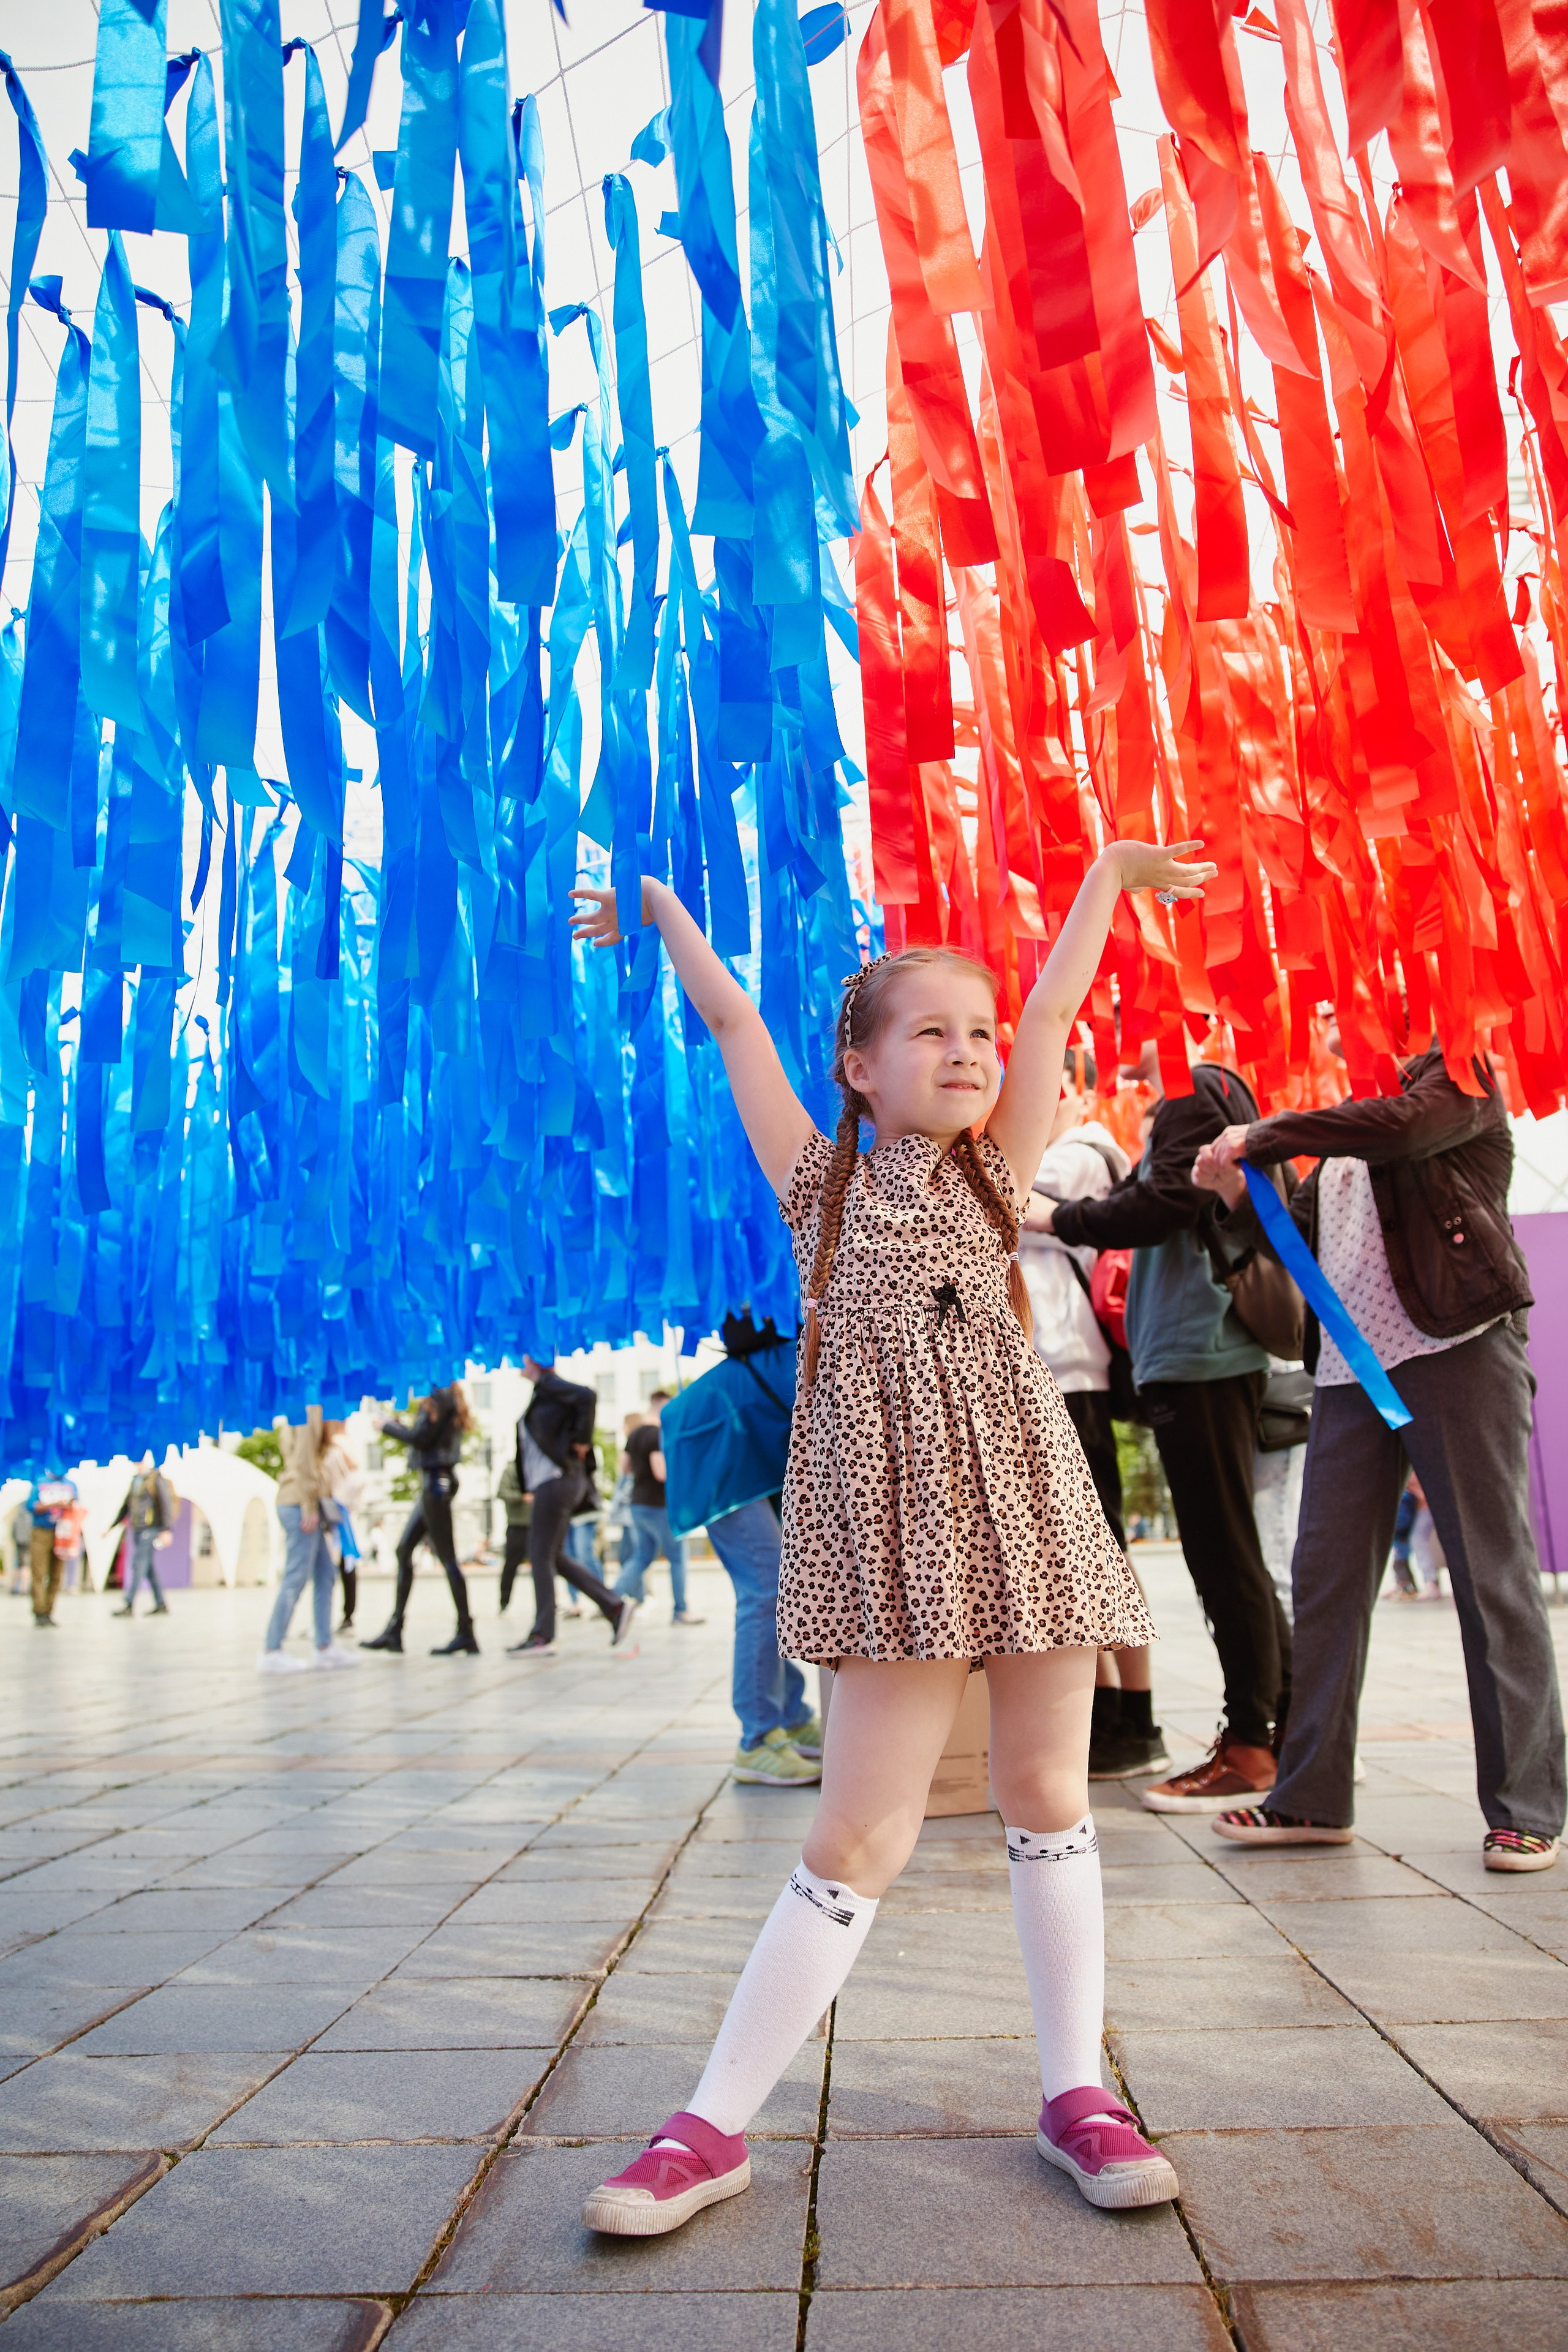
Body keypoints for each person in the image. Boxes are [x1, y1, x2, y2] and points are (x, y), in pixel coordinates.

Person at [568, 834, 1214, 2237]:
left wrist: (1101, 881)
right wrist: (662, 914)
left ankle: (1074, 2090)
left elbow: (1051, 1016)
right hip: (888, 1529)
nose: (969, 1048)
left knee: (1051, 1796)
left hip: (1027, 1502)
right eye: (929, 1030)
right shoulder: (823, 1184)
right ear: (858, 1064)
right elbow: (735, 1020)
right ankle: (709, 2122)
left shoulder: (1001, 1173)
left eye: (974, 1030)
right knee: (861, 1827)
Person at [1193, 1043, 1564, 1873]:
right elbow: (1309, 1241)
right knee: (1324, 1576)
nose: (1327, 1017)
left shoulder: (1458, 1072)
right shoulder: (1340, 1120)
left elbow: (1401, 1130)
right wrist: (1238, 1193)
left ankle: (1527, 1809)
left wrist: (1268, 1135)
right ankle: (1311, 1796)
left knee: (1490, 1577)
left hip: (1458, 1344)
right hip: (1349, 1367)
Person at [1039, 1044, 1289, 1815]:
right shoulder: (1202, 1092)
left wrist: (1054, 1217)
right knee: (1225, 1552)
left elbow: (1162, 1207)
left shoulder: (1194, 1089)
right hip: (1194, 1351)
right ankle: (1271, 1734)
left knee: (1224, 1554)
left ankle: (1254, 1744)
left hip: (1201, 1351)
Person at [1020, 1079, 1168, 1784]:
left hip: (1069, 1374)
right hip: (1047, 1373)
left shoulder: (1080, 1153)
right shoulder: (1054, 1152)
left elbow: (1000, 1202)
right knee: (1070, 1556)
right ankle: (1109, 1712)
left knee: (1100, 1549)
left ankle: (1137, 1718)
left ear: (1068, 1090)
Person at [660, 1312, 821, 1785]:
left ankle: (790, 1717)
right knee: (766, 1589)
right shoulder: (834, 1347)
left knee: (776, 1588)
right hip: (716, 1450)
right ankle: (757, 1739)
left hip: (737, 1446)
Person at [507, 1354, 638, 1658]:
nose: (516, 1361)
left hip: (556, 1480)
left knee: (539, 1555)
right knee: (554, 1556)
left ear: (534, 1361)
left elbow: (588, 1396)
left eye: (522, 1357)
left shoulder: (550, 1385)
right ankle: (614, 1606)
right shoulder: (545, 1392)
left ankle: (543, 1636)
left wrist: (582, 1439)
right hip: (555, 1481)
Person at [361, 1385, 480, 1655]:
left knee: (447, 1557)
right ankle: (396, 1628)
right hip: (435, 1481)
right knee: (404, 1549)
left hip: (436, 1482)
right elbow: (426, 1436)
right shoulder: (446, 1397)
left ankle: (466, 1631)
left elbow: (421, 1438)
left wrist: (387, 1427)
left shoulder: (440, 1396)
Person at [260, 1409, 358, 1673]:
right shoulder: (310, 1408)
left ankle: (324, 1647)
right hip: (299, 1505)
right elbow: (304, 1459)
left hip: (299, 1502)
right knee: (295, 1578)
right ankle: (272, 1648)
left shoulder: (304, 1407)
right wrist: (309, 1507)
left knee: (326, 1575)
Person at [614, 1395, 704, 1626]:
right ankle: (680, 1611)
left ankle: (610, 1599)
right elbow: (661, 1473)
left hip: (637, 1504)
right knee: (677, 1557)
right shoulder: (656, 1434)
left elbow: (625, 1467)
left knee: (642, 1557)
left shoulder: (634, 1434)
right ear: (663, 1405)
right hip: (658, 1505)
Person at [108, 1458, 174, 1620]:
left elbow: (165, 1504)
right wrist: (112, 1527)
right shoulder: (136, 1481)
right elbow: (126, 1506)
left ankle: (128, 1603)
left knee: (138, 1564)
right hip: (137, 1528)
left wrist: (166, 1529)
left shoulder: (154, 1479)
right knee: (149, 1569)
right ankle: (161, 1604)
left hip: (150, 1528)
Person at [318, 1423, 364, 1633]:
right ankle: (333, 1617)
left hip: (336, 1511)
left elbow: (355, 1474)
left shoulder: (337, 1448)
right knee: (337, 1564)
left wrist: (340, 1502)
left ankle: (347, 1615)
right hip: (329, 1511)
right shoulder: (330, 1447)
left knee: (345, 1563)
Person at [496, 1454, 533, 1615]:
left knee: (543, 1567)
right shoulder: (511, 1469)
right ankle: (504, 1603)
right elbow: (501, 1492)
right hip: (517, 1526)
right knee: (510, 1566)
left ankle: (548, 1606)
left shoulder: (537, 1469)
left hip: (536, 1526)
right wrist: (521, 1498)